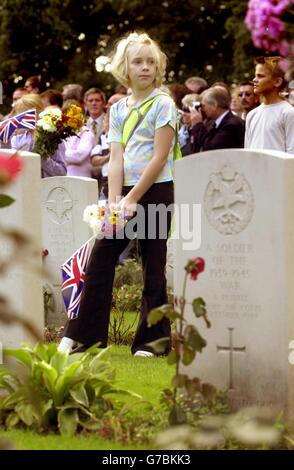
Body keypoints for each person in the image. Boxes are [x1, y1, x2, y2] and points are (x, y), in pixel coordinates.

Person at [59, 31, 177, 357]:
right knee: (100, 259)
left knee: (153, 265)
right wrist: (113, 201)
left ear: (158, 67)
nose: (144, 68)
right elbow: (115, 156)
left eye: (150, 62)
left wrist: (133, 198)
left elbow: (159, 157)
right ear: (124, 66)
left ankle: (153, 342)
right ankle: (85, 337)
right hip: (121, 193)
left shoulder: (164, 104)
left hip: (156, 192)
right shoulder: (120, 108)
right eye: (137, 61)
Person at [245, 57, 294, 154]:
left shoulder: (288, 113)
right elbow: (247, 151)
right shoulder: (252, 115)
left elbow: (291, 153)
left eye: (260, 76)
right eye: (255, 76)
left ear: (277, 82)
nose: (254, 80)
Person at [190, 86, 245, 152]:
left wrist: (198, 125)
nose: (202, 109)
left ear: (214, 105)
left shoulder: (231, 125)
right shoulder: (213, 124)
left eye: (204, 106)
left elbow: (211, 148)